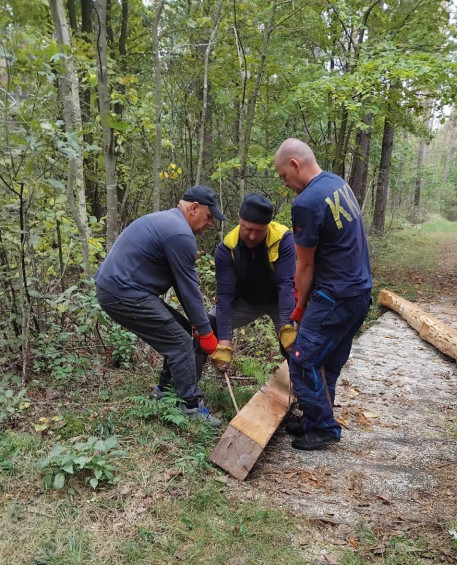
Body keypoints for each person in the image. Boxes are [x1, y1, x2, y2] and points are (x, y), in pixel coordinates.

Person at [95, 185, 225, 426]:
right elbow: (188, 288)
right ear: (194, 208)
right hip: (123, 292)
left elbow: (181, 286)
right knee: (180, 341)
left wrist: (199, 326)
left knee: (182, 331)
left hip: (120, 289)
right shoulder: (180, 234)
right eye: (209, 217)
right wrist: (206, 333)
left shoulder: (170, 224)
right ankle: (190, 407)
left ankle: (164, 392)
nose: (210, 224)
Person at [274, 138, 373, 450]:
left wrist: (300, 307)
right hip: (359, 292)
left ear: (295, 164)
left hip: (335, 295)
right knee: (326, 361)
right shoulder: (337, 183)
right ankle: (315, 419)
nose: (285, 184)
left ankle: (324, 427)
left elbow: (304, 266)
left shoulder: (306, 203)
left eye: (283, 176)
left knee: (302, 360)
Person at [208, 193, 297, 372]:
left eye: (259, 230)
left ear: (268, 226)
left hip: (280, 299)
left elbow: (286, 284)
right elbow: (224, 297)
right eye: (247, 228)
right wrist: (224, 343)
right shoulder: (227, 248)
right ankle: (181, 392)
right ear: (239, 220)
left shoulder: (283, 239)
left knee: (296, 343)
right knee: (206, 326)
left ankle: (304, 391)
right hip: (246, 301)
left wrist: (286, 326)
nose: (252, 236)